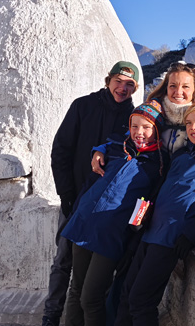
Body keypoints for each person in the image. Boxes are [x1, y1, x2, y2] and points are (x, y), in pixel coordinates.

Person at [115, 102, 195, 326]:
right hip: (151, 230)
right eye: (189, 123)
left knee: (141, 300)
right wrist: (141, 216)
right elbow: (164, 187)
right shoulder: (183, 152)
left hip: (171, 237)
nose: (193, 127)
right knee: (126, 293)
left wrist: (192, 233)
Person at [43, 61, 140, 326]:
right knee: (64, 260)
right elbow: (61, 151)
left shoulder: (132, 120)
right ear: (108, 80)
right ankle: (52, 315)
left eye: (129, 84)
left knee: (96, 278)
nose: (122, 87)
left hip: (103, 210)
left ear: (136, 88)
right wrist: (67, 195)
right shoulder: (83, 106)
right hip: (75, 200)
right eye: (118, 81)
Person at [61, 102, 165, 326]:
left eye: (146, 127)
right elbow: (106, 146)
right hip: (85, 222)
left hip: (111, 235)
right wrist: (99, 149)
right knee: (76, 289)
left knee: (91, 298)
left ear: (157, 130)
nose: (140, 132)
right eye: (135, 126)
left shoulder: (158, 164)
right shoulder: (117, 147)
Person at [92, 61, 195, 173]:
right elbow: (130, 137)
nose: (178, 91)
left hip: (187, 182)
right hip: (152, 177)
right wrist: (101, 150)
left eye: (185, 86)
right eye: (173, 86)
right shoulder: (153, 111)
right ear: (166, 86)